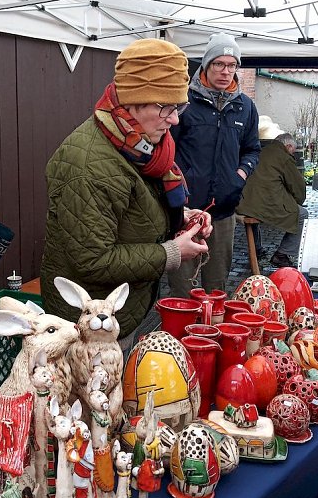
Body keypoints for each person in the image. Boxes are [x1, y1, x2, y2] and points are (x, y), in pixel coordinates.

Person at [40, 39, 212, 346]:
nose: (175, 119)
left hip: (120, 310)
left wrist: (183, 219)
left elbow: (132, 208)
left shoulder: (138, 145)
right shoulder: (89, 165)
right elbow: (93, 258)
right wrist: (172, 252)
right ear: (133, 100)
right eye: (166, 107)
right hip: (89, 324)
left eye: (179, 107)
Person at [168, 32, 261, 296]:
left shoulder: (245, 107)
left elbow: (252, 150)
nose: (225, 71)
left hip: (222, 212)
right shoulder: (185, 102)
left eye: (232, 65)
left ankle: (211, 334)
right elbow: (166, 151)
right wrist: (178, 188)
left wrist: (240, 175)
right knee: (183, 288)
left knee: (216, 288)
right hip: (185, 211)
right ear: (207, 65)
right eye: (219, 64)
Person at [237, 131, 308, 269]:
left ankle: (257, 249)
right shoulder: (284, 157)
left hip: (244, 203)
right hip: (262, 204)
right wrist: (297, 201)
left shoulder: (261, 150)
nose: (292, 154)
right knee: (302, 214)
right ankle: (282, 254)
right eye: (292, 151)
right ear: (288, 146)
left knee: (255, 208)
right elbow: (297, 187)